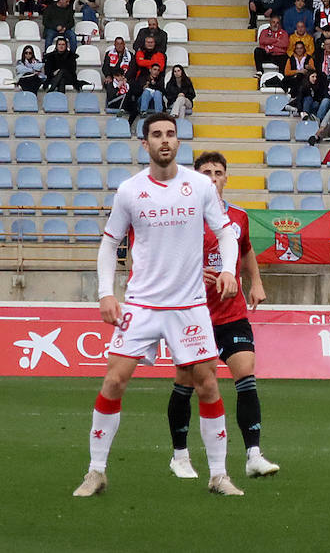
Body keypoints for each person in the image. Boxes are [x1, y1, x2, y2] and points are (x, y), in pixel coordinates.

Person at [73, 113, 244, 498]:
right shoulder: (130, 191)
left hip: (190, 306)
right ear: (144, 143)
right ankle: (96, 471)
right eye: (156, 135)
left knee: (208, 386)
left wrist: (230, 270)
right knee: (114, 380)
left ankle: (218, 474)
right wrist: (105, 292)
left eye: (170, 134)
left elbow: (225, 232)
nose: (164, 140)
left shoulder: (199, 186)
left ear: (178, 143)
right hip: (142, 304)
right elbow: (109, 243)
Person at [166, 152, 279, 481]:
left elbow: (245, 251)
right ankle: (180, 455)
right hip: (192, 312)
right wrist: (193, 274)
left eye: (218, 172)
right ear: (196, 178)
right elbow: (165, 258)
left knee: (245, 374)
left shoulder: (239, 217)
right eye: (206, 172)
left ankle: (253, 455)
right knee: (187, 383)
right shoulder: (182, 216)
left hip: (232, 312)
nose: (213, 177)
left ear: (226, 178)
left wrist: (256, 282)